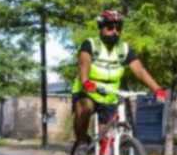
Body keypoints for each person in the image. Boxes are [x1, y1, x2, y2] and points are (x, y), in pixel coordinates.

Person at [70, 9, 167, 146]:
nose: (115, 31)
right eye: (110, 27)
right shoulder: (91, 44)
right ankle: (81, 141)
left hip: (109, 96)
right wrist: (85, 81)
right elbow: (84, 63)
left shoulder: (124, 49)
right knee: (85, 108)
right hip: (88, 91)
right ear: (101, 28)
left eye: (118, 28)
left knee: (107, 139)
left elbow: (139, 70)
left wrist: (157, 89)